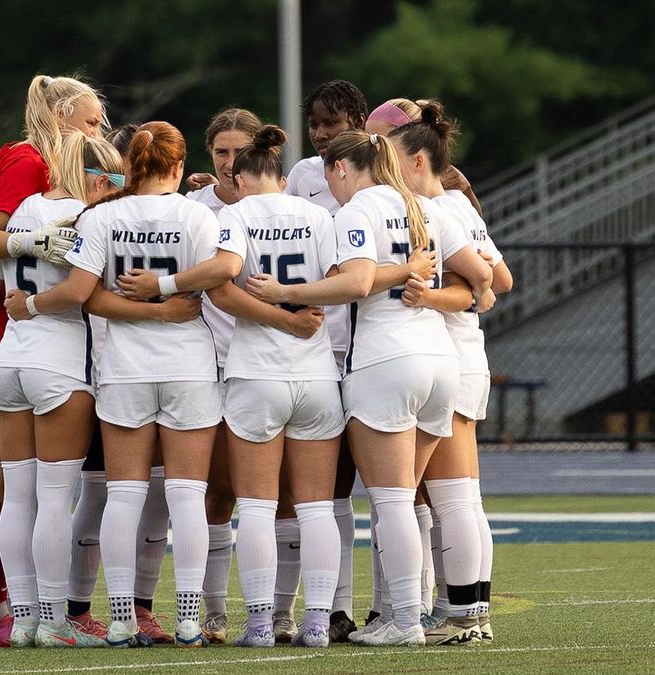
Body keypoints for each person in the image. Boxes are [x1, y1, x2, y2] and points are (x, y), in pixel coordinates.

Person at [248, 129, 484, 646]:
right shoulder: (425, 204)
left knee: (394, 501)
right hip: (441, 360)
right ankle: (422, 613)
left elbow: (355, 284)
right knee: (418, 502)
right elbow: (482, 282)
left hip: (386, 360)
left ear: (339, 169)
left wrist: (285, 292)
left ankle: (403, 621)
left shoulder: (357, 208)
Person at [9, 121, 238, 648]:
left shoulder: (105, 216)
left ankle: (119, 619)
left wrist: (142, 309)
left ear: (130, 166)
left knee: (124, 496)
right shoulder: (198, 212)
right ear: (179, 167)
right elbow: (223, 273)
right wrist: (167, 302)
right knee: (186, 496)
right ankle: (185, 618)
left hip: (123, 369)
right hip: (188, 367)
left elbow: (85, 294)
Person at [0, 73, 107, 648]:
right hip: (38, 342)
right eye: (91, 124)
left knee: (17, 489)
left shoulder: (22, 181)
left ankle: (14, 619)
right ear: (63, 123)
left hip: (7, 349)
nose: (99, 134)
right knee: (51, 493)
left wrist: (8, 252)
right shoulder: (36, 170)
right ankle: (34, 616)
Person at [208, 125, 344, 648]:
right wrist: (296, 314)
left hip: (257, 373)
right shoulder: (318, 215)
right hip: (315, 374)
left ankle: (261, 622)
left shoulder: (236, 214)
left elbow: (221, 290)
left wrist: (276, 318)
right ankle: (314, 621)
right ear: (284, 179)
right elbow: (338, 284)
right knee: (315, 508)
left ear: (239, 177)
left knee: (259, 507)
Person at [389, 101, 501, 644]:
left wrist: (430, 296)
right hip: (461, 358)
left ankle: (461, 615)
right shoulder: (457, 203)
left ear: (415, 161)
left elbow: (486, 286)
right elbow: (496, 281)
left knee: (450, 495)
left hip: (450, 356)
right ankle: (472, 613)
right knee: (461, 497)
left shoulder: (438, 207)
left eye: (388, 153)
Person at [285, 79, 371, 642]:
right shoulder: (302, 177)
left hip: (369, 349)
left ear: (358, 123)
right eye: (314, 124)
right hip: (315, 345)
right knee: (327, 487)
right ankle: (333, 606)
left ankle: (402, 606)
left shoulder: (375, 175)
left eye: (331, 124)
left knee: (399, 491)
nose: (320, 135)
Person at [180, 107, 262, 643]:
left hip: (270, 367)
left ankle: (279, 613)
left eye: (240, 153)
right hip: (207, 368)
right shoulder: (193, 207)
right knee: (211, 495)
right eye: (221, 153)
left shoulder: (287, 206)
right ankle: (211, 612)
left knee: (272, 496)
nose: (231, 164)